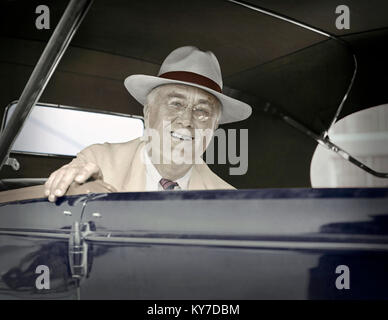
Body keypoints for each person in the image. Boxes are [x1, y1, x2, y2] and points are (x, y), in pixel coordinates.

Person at [44, 46, 252, 202]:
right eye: (176, 104)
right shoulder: (97, 161)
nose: (187, 120)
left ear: (214, 128)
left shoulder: (228, 200)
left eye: (202, 111)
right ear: (148, 111)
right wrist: (78, 189)